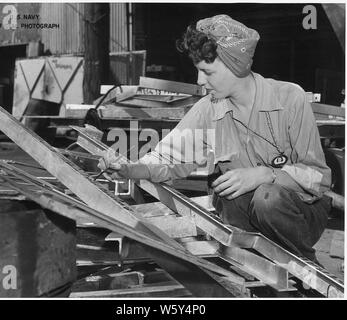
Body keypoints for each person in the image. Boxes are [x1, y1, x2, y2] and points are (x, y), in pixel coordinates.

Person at [99, 14, 332, 263]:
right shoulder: (208, 108)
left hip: (302, 212)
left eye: (206, 72)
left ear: (235, 65)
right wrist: (129, 169)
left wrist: (268, 174)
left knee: (267, 197)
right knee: (227, 193)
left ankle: (307, 270)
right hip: (248, 213)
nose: (200, 82)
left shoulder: (290, 99)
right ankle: (250, 266)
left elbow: (319, 179)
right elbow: (168, 157)